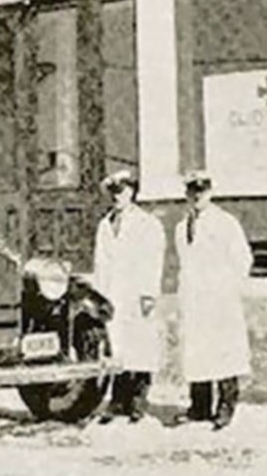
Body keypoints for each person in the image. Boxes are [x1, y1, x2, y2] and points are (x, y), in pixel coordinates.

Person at [174, 170, 252, 430]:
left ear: (210, 192)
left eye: (202, 190)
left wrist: (226, 289)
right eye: (192, 190)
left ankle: (226, 407)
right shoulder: (182, 226)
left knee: (223, 352)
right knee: (197, 352)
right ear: (186, 193)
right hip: (194, 299)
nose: (197, 195)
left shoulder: (225, 223)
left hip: (219, 300)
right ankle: (199, 407)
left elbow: (243, 259)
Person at [91, 169, 166, 423]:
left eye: (121, 191)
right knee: (117, 347)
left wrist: (149, 295)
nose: (117, 196)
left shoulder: (147, 224)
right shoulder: (105, 224)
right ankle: (118, 400)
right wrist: (100, 296)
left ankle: (138, 401)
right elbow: (100, 263)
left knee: (141, 346)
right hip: (113, 294)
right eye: (113, 192)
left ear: (132, 192)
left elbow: (153, 261)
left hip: (137, 293)